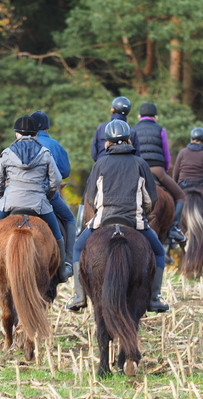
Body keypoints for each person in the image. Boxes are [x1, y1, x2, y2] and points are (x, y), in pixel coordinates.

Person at [67, 119, 169, 313]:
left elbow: (91, 198)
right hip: (135, 221)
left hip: (103, 219)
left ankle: (79, 296)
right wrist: (144, 213)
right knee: (159, 252)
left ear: (108, 141)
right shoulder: (140, 163)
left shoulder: (100, 163)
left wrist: (99, 211)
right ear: (128, 139)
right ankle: (155, 297)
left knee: (78, 248)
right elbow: (150, 199)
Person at [0, 116, 68, 278]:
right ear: (35, 134)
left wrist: (2, 195)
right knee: (57, 235)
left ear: (17, 134)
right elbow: (57, 180)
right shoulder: (45, 153)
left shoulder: (7, 153)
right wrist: (47, 195)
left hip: (10, 202)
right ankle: (62, 270)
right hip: (39, 204)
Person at [132, 102, 186, 244]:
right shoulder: (160, 129)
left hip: (138, 170)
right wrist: (165, 171)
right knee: (181, 196)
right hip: (157, 170)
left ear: (139, 116)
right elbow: (167, 155)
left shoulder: (133, 130)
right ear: (155, 116)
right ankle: (174, 227)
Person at [30, 110, 75, 281]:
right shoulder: (54, 145)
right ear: (47, 127)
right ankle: (68, 262)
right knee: (70, 219)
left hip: (18, 194)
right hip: (46, 196)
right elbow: (64, 172)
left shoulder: (19, 144)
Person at [90, 96, 140, 161]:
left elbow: (94, 153)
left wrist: (100, 163)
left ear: (112, 109)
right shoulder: (131, 131)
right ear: (128, 112)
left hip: (102, 164)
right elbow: (137, 154)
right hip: (125, 166)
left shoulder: (101, 127)